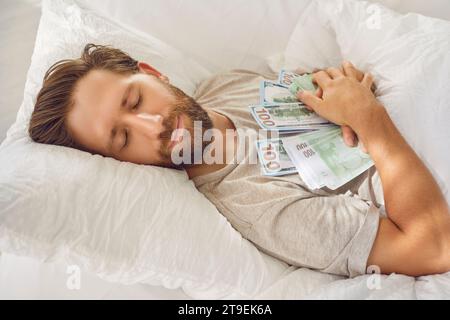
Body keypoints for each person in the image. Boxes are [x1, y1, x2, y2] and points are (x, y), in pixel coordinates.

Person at [29, 44, 450, 277]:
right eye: (121, 139)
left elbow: (324, 83)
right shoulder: (259, 209)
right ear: (120, 165)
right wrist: (369, 120)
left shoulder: (223, 85)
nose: (150, 124)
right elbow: (432, 249)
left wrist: (345, 88)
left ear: (152, 71)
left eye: (135, 99)